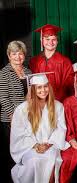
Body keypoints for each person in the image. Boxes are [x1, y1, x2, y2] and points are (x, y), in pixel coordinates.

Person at [10, 73, 69, 183]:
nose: (43, 90)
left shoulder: (58, 106)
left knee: (50, 160)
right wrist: (36, 145)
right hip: (30, 147)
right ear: (33, 89)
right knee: (34, 161)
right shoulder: (22, 109)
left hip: (51, 146)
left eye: (45, 86)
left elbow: (61, 129)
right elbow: (18, 134)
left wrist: (49, 144)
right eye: (39, 87)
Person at [0, 40, 32, 182]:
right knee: (13, 153)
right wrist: (14, 118)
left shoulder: (28, 72)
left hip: (27, 119)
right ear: (9, 56)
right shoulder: (4, 73)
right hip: (10, 120)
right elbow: (3, 97)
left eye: (20, 54)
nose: (18, 57)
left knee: (25, 152)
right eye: (14, 54)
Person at [29, 24, 74, 102]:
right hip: (38, 103)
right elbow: (31, 84)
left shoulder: (65, 61)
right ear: (41, 40)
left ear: (57, 41)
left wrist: (56, 101)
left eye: (53, 39)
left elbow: (69, 85)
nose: (50, 42)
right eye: (47, 39)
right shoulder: (34, 61)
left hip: (59, 102)